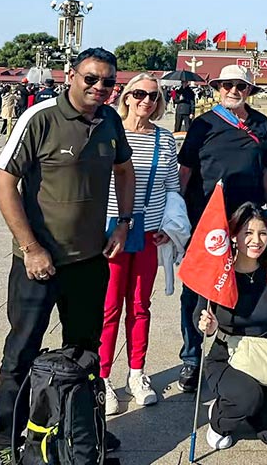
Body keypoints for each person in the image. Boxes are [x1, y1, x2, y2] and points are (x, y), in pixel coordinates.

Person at [0, 48, 135, 465]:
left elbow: (124, 170)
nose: (99, 88)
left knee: (87, 351)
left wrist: (123, 222)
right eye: (91, 78)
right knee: (20, 351)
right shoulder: (41, 118)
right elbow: (4, 184)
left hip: (89, 261)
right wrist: (31, 248)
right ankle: (3, 441)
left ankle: (84, 426)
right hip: (39, 263)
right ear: (71, 75)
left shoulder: (110, 121)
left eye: (108, 82)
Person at [177, 64, 267, 393]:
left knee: (244, 286)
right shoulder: (203, 124)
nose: (234, 90)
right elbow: (186, 171)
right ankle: (191, 358)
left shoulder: (261, 124)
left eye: (241, 86)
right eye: (227, 85)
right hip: (207, 222)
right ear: (218, 88)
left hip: (247, 221)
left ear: (249, 90)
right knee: (197, 290)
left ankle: (238, 350)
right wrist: (179, 215)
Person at [99, 73, 180, 415]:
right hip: (112, 231)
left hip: (149, 232)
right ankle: (101, 377)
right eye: (140, 94)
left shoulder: (165, 140)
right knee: (109, 306)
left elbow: (173, 187)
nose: (147, 100)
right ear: (127, 97)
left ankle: (136, 372)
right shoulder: (110, 134)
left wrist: (168, 227)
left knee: (140, 305)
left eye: (154, 96)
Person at [196, 203, 267, 452]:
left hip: (265, 356)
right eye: (248, 233)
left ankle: (247, 407)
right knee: (249, 397)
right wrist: (208, 327)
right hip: (227, 357)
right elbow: (198, 319)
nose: (256, 240)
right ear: (234, 235)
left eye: (262, 233)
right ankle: (220, 417)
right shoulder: (219, 273)